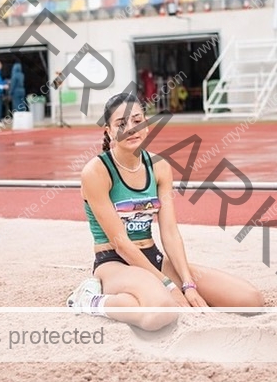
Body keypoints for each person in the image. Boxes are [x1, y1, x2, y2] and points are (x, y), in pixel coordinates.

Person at [66, 93, 263, 331]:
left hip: (153, 257)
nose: (131, 129)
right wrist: (170, 286)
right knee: (161, 312)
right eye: (121, 124)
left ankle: (149, 294)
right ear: (108, 130)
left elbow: (169, 232)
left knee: (251, 300)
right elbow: (121, 244)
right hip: (114, 262)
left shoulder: (159, 166)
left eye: (137, 121)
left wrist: (188, 284)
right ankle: (90, 299)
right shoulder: (96, 171)